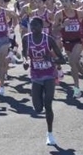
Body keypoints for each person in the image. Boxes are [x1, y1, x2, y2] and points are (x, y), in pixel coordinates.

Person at [22, 16, 65, 146]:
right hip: (35, 75)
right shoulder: (26, 39)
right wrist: (25, 62)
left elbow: (62, 59)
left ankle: (50, 134)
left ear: (42, 27)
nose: (33, 28)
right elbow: (25, 54)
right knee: (38, 108)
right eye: (31, 25)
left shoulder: (49, 40)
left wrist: (51, 59)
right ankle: (39, 96)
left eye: (36, 25)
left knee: (48, 104)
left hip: (49, 74)